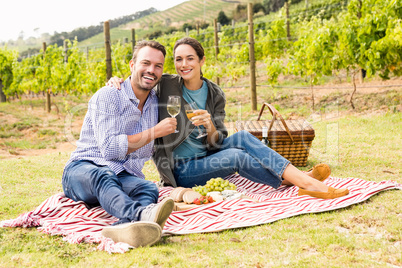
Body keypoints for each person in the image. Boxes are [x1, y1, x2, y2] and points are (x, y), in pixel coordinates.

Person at [109, 37, 349, 200]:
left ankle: (296, 179)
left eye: (190, 58)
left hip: (209, 155)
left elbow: (215, 143)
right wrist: (117, 81)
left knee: (243, 137)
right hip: (182, 170)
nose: (184, 64)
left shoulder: (214, 93)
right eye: (178, 59)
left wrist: (210, 125)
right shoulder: (168, 84)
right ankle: (305, 182)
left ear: (202, 61)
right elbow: (143, 74)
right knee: (235, 156)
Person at [62, 40, 177, 248]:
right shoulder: (109, 95)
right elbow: (111, 149)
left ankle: (124, 227)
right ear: (132, 65)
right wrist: (155, 131)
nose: (151, 70)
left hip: (121, 175)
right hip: (84, 170)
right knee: (103, 174)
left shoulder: (155, 102)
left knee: (148, 188)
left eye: (158, 66)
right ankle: (141, 214)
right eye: (145, 63)